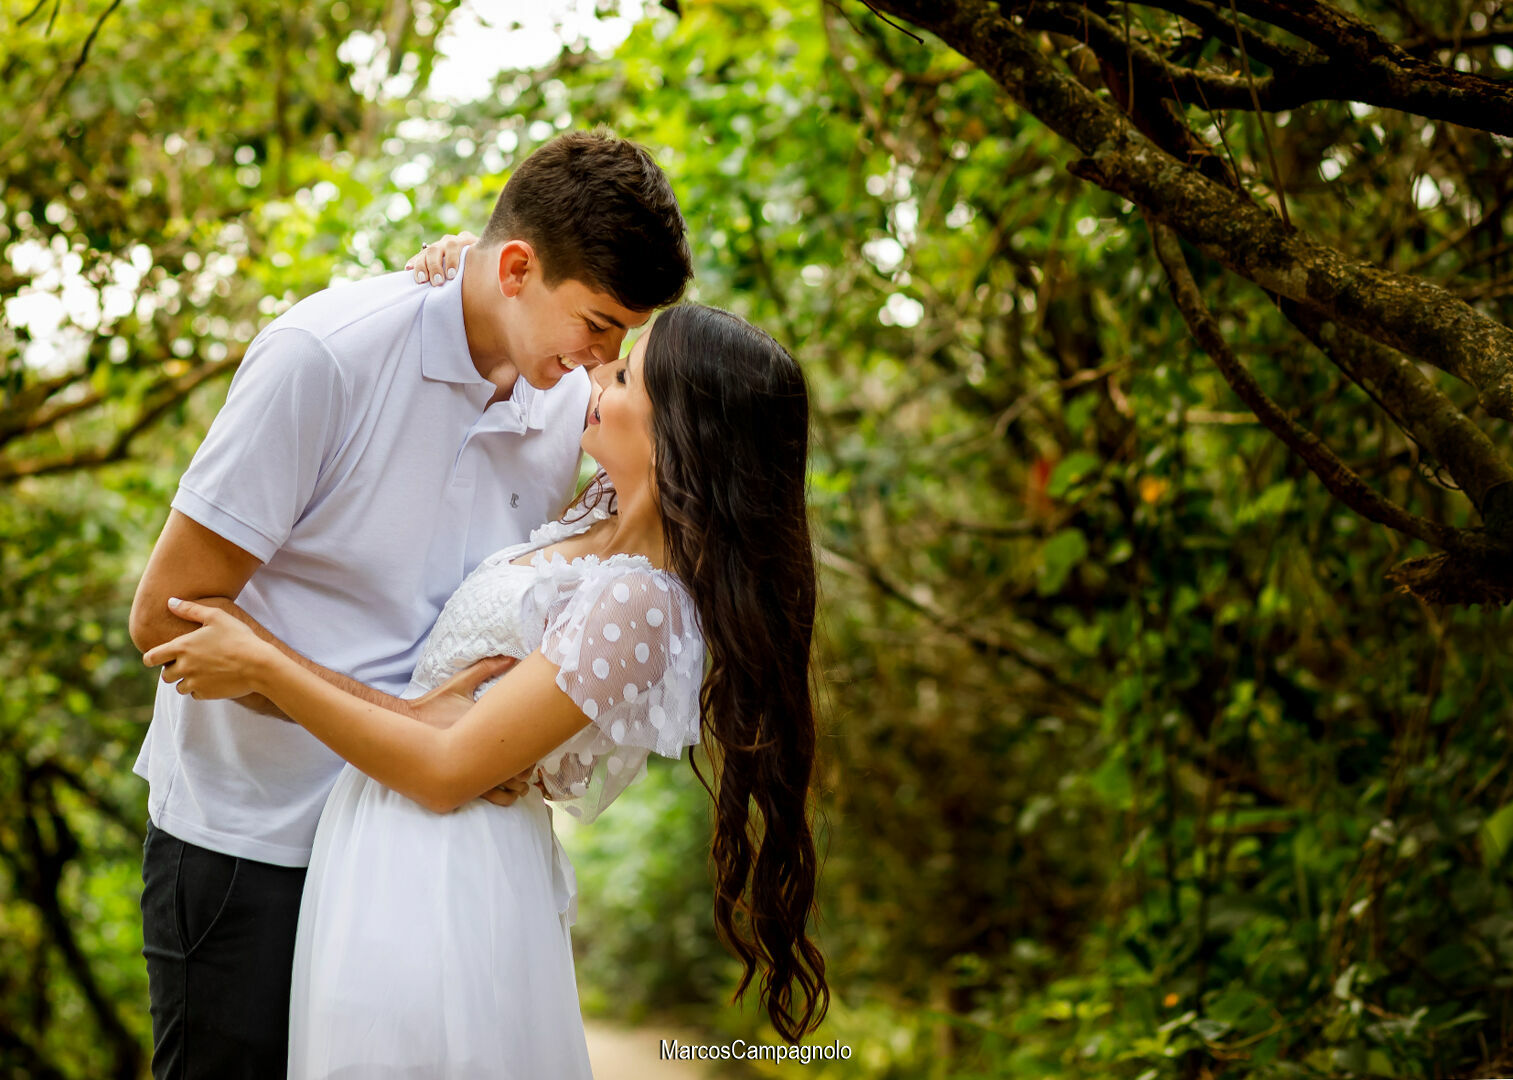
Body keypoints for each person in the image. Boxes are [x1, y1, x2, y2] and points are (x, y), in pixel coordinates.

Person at [127, 129, 693, 1079]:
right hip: (253, 842)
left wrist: (493, 740)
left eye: (623, 336)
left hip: (422, 866)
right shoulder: (326, 357)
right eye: (598, 324)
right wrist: (414, 727)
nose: (607, 358)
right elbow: (166, 617)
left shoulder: (569, 405)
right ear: (515, 265)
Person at [145, 304, 829, 1077]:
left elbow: (446, 771)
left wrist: (266, 665)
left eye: (627, 372)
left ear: (684, 430)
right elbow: (442, 714)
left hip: (443, 871)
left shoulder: (640, 604)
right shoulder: (597, 516)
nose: (598, 375)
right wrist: (459, 264)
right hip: (380, 844)